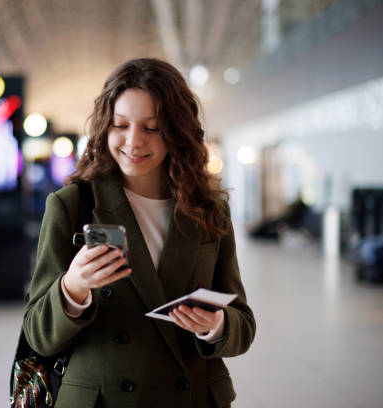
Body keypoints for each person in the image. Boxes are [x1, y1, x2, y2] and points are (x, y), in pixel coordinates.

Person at [22, 58, 255, 407]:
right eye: (121, 125)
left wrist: (217, 324)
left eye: (152, 127)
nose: (133, 141)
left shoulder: (207, 209)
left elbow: (244, 325)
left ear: (177, 131)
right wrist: (73, 287)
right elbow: (38, 335)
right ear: (105, 127)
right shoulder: (72, 205)